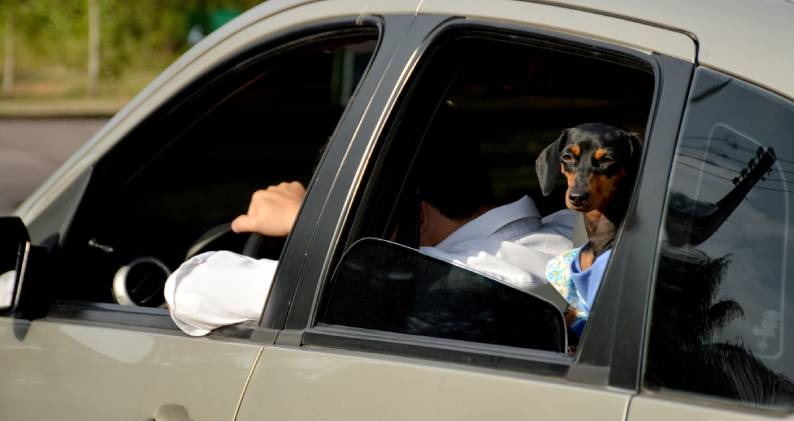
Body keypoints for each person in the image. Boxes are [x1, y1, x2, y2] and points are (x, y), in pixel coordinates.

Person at [165, 128, 575, 336]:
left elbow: (189, 288)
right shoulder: (574, 232)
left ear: (418, 217)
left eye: (359, 218)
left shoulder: (440, 282)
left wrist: (313, 224)